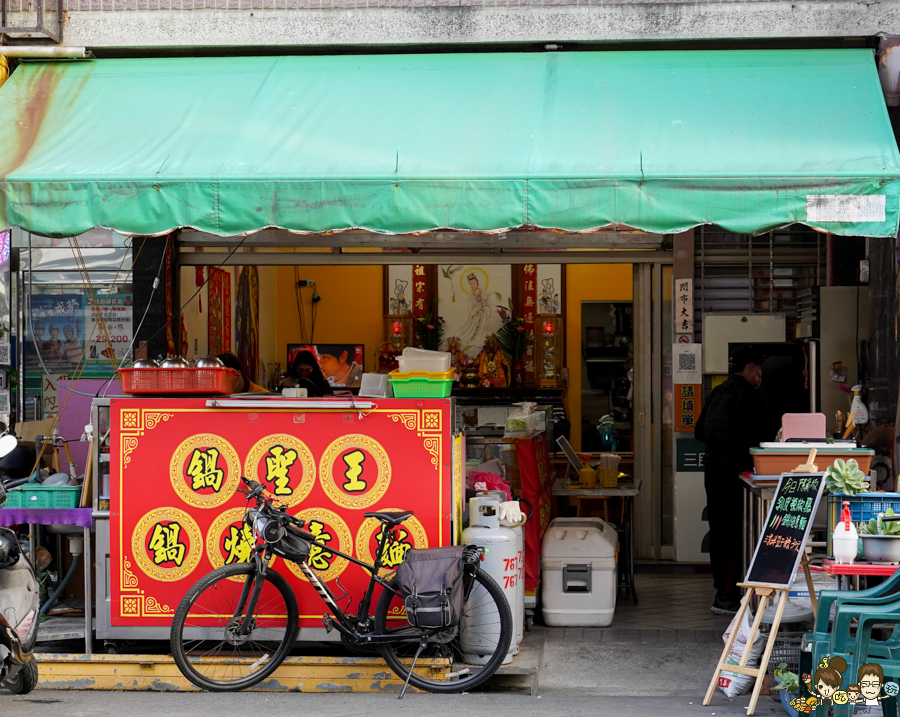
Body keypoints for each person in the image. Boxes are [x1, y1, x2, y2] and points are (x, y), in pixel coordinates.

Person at [695, 344, 770, 615]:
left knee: (721, 533)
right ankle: (727, 596)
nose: (760, 373)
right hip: (734, 475)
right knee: (736, 534)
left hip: (714, 473)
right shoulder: (747, 395)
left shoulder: (717, 392)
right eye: (759, 367)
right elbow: (759, 438)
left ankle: (723, 592)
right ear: (750, 367)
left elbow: (700, 431)